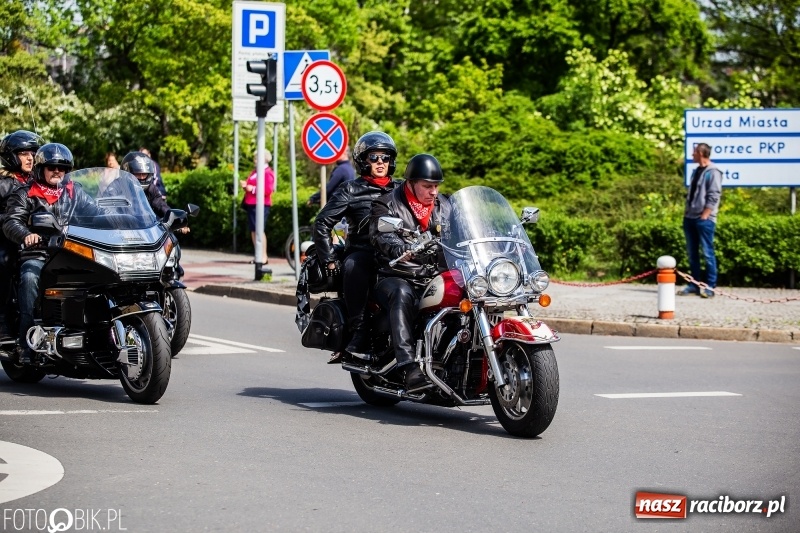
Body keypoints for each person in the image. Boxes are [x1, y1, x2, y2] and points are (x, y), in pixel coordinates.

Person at [3, 143, 103, 363]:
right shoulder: (26, 193)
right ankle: (24, 342)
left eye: (62, 167)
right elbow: (11, 221)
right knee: (29, 278)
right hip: (38, 254)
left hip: (71, 253)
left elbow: (96, 213)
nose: (57, 171)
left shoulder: (74, 192)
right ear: (41, 169)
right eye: (51, 167)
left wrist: (117, 221)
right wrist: (26, 234)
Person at [313, 131, 401, 362]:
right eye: (374, 157)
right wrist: (329, 259)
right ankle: (359, 331)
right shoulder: (351, 189)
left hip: (399, 251)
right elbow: (322, 223)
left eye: (385, 157)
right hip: (365, 251)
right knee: (353, 265)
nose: (380, 163)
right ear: (364, 160)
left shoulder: (402, 189)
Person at [369, 154, 452, 390]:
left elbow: (464, 230)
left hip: (435, 274)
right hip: (396, 273)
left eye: (436, 186)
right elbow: (381, 235)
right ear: (411, 183)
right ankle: (409, 367)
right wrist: (403, 248)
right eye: (427, 186)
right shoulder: (387, 204)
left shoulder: (445, 204)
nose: (433, 192)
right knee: (402, 294)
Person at [0, 130, 43, 340]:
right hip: (7, 238)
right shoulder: (3, 184)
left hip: (39, 239)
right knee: (4, 261)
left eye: (33, 153)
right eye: (24, 153)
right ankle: (2, 320)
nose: (30, 158)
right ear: (10, 156)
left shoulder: (41, 180)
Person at [679, 143, 723, 298]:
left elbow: (714, 195)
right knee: (692, 254)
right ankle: (694, 284)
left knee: (707, 253)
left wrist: (706, 214)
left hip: (704, 219)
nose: (692, 155)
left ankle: (711, 286)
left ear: (701, 153)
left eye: (694, 153)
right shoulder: (696, 170)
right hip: (690, 217)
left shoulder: (713, 172)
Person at [240, 149, 275, 263]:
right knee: (254, 230)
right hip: (251, 203)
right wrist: (246, 185)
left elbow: (268, 190)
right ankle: (258, 255)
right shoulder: (255, 171)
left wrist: (252, 189)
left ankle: (263, 256)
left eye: (256, 157)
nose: (254, 160)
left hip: (261, 204)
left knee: (259, 230)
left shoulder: (267, 172)